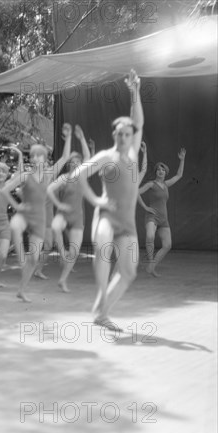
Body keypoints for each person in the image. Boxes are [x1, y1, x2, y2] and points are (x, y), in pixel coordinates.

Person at [67, 69, 144, 331]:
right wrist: (96, 201)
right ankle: (100, 295)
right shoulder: (105, 157)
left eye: (128, 133)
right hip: (107, 217)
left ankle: (102, 312)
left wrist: (135, 92)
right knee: (103, 249)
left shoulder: (133, 155)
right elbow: (77, 175)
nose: (124, 137)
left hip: (128, 223)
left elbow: (139, 122)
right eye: (120, 133)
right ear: (114, 135)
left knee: (129, 272)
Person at [5, 124, 72, 302]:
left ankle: (21, 290)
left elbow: (65, 157)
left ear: (45, 159)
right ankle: (20, 257)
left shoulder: (49, 174)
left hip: (40, 220)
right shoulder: (25, 175)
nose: (34, 158)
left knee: (34, 259)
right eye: (32, 155)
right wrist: (17, 206)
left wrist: (69, 137)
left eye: (38, 155)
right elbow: (4, 190)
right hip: (25, 215)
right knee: (16, 226)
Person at [46, 125, 92, 292]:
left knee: (75, 251)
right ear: (69, 165)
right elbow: (49, 189)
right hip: (63, 214)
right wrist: (58, 204)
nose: (74, 164)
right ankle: (61, 252)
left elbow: (88, 156)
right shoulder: (64, 178)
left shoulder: (82, 175)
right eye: (72, 162)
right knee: (56, 227)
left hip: (77, 218)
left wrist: (81, 138)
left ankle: (63, 280)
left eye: (77, 162)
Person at [138, 146, 186, 276]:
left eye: (162, 169)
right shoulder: (151, 184)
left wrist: (182, 159)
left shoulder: (166, 184)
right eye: (158, 169)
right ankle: (150, 263)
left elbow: (179, 175)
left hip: (164, 219)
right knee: (150, 236)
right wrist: (145, 207)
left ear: (165, 173)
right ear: (156, 172)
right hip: (152, 217)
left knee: (168, 245)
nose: (160, 171)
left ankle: (151, 267)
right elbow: (136, 192)